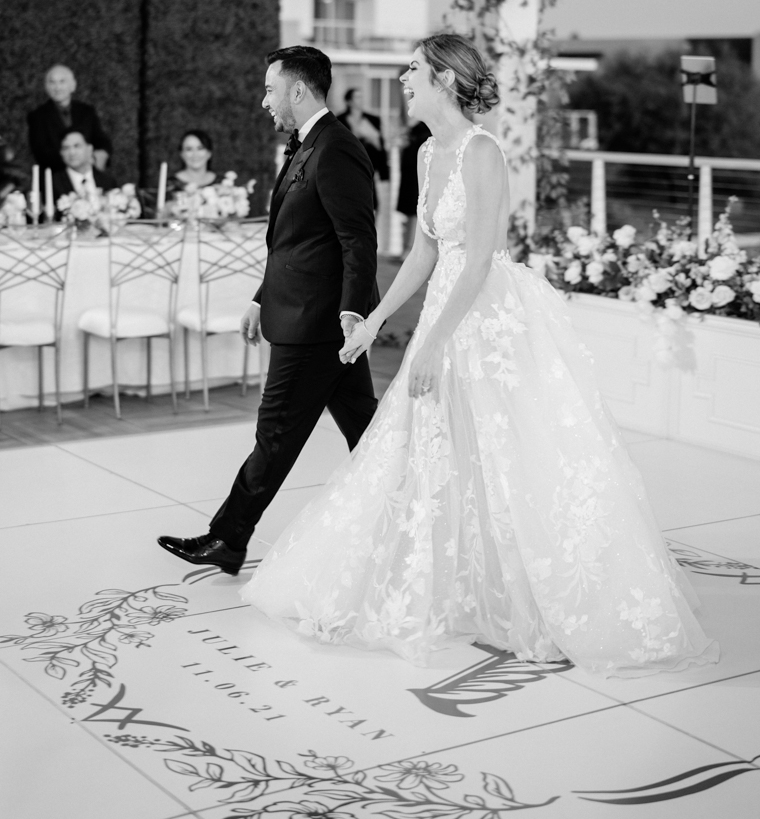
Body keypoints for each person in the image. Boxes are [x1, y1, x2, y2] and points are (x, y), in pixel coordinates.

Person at [242, 33, 719, 678]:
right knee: (433, 452)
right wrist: (375, 320)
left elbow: (481, 256)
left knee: (507, 454)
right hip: (441, 309)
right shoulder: (427, 153)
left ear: (443, 76)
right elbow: (425, 251)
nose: (404, 79)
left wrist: (435, 337)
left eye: (412, 70)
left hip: (485, 316)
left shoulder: (481, 150)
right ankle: (455, 583)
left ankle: (545, 593)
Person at [157, 46, 380, 575]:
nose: (264, 101)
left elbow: (357, 240)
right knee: (369, 430)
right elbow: (296, 242)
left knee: (276, 432)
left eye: (269, 89)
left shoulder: (337, 149)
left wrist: (353, 315)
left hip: (320, 324)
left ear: (297, 91)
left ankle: (227, 538)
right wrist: (262, 296)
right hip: (302, 310)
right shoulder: (307, 144)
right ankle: (419, 507)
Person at [27, 65, 112, 174]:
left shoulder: (87, 111)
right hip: (56, 179)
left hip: (87, 177)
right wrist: (79, 161)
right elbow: (41, 153)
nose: (57, 87)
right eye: (52, 82)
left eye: (62, 82)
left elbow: (101, 140)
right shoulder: (37, 116)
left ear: (73, 85)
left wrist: (100, 155)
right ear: (46, 87)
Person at [337, 88, 389, 208]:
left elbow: (381, 147)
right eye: (357, 97)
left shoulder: (373, 120)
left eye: (361, 97)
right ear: (348, 101)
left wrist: (384, 173)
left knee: (370, 203)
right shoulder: (339, 120)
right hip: (347, 168)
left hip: (367, 166)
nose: (361, 100)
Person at [52, 129, 117, 208]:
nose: (72, 152)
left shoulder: (108, 181)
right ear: (61, 153)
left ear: (90, 149)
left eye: (77, 146)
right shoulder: (53, 184)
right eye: (66, 148)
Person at [395, 118, 430, 257]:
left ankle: (410, 248)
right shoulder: (414, 128)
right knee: (408, 213)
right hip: (409, 174)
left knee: (416, 212)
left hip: (418, 176)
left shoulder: (426, 129)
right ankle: (405, 247)